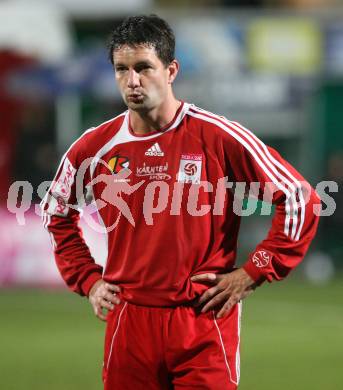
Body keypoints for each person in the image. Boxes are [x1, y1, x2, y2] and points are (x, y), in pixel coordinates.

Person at [41, 14, 321, 390]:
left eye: (143, 67)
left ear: (171, 70)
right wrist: (88, 280)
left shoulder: (217, 136)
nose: (132, 81)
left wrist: (254, 271)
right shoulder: (95, 146)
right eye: (121, 69)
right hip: (129, 321)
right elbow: (55, 212)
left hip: (203, 319)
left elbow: (300, 198)